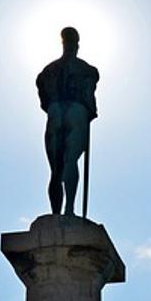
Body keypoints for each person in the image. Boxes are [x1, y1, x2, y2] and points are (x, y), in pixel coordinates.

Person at [36, 27, 99, 216]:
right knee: (70, 162)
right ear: (77, 44)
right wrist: (89, 112)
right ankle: (69, 210)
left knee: (55, 170)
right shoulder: (88, 70)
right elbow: (89, 98)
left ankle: (56, 214)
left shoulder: (47, 71)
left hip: (55, 111)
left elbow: (44, 101)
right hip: (77, 112)